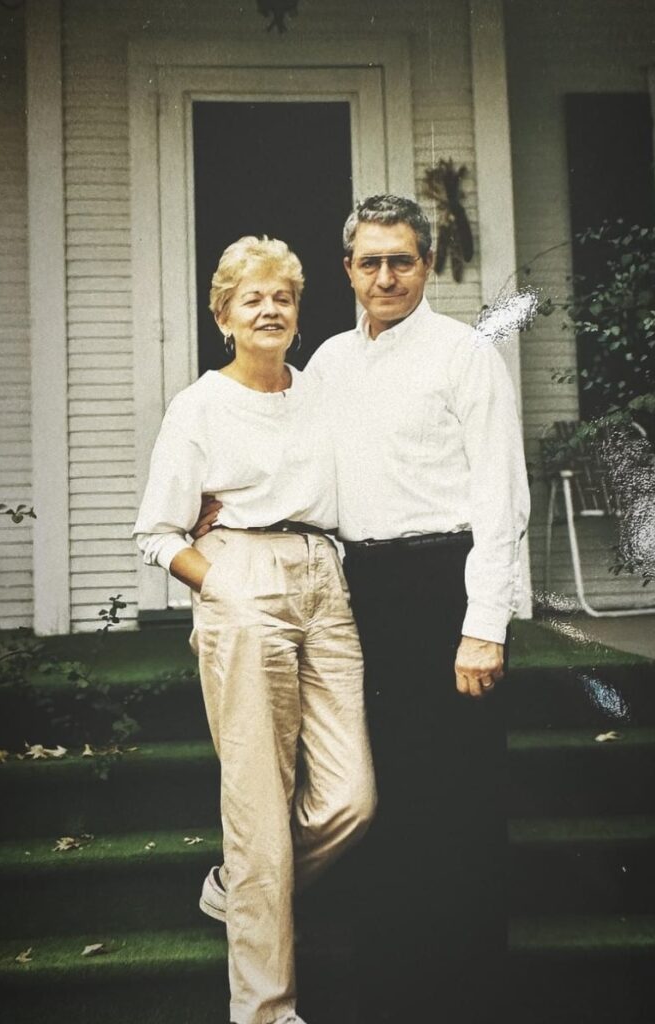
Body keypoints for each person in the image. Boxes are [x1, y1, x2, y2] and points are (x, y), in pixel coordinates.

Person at [196, 196, 530, 1022]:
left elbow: (502, 498)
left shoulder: (465, 356)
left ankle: (466, 994)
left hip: (447, 587)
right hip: (357, 595)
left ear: (426, 265)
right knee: (377, 793)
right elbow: (282, 452)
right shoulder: (331, 365)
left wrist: (484, 625)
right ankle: (389, 990)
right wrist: (217, 508)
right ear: (346, 270)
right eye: (371, 261)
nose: (387, 275)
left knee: (456, 796)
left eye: (403, 260)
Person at [133, 236, 376, 1024]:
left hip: (324, 580)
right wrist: (224, 583)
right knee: (258, 805)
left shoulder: (324, 395)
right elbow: (159, 533)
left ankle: (238, 887)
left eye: (283, 298)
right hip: (242, 578)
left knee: (349, 797)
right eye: (252, 300)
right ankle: (265, 1012)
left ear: (299, 315)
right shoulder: (199, 405)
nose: (269, 310)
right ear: (223, 316)